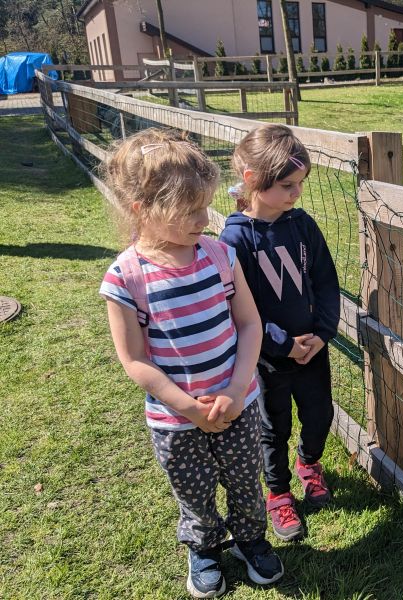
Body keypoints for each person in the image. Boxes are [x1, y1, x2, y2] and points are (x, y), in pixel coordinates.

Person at [99, 129, 284, 598]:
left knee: (246, 479)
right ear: (142, 210)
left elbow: (249, 324)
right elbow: (135, 360)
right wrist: (188, 407)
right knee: (194, 492)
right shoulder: (127, 277)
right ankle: (204, 548)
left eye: (206, 205)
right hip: (176, 420)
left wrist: (238, 390)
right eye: (190, 211)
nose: (205, 218)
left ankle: (250, 539)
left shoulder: (220, 255)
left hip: (238, 402)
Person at [220, 124, 340, 542]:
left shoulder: (303, 225)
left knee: (319, 415)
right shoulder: (234, 239)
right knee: (274, 428)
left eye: (301, 184)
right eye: (288, 185)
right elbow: (242, 308)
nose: (296, 193)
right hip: (268, 358)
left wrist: (322, 335)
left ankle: (310, 463)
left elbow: (325, 281)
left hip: (313, 350)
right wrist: (282, 345)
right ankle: (279, 494)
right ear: (253, 180)